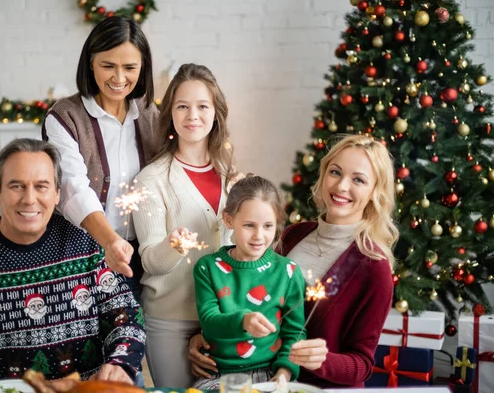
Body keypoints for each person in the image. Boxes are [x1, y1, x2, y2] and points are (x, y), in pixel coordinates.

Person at [0, 139, 146, 384]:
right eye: (17, 186)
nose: (29, 199)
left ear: (56, 194)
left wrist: (121, 362)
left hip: (83, 390)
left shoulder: (88, 246)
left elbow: (126, 318)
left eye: (41, 186)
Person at [131, 63, 238, 388]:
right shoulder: (150, 180)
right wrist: (174, 246)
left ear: (216, 113)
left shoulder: (231, 177)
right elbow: (149, 260)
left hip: (223, 318)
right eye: (183, 106)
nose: (193, 115)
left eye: (203, 106)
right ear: (171, 115)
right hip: (170, 320)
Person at [42, 16, 158, 298]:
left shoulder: (149, 113)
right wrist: (111, 242)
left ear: (142, 68)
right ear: (90, 63)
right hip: (79, 260)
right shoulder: (65, 116)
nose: (119, 79)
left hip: (141, 259)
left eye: (130, 67)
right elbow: (72, 188)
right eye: (108, 66)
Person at [278, 134, 399, 388]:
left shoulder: (373, 267)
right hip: (270, 381)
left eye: (358, 179)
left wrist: (322, 360)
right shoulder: (293, 235)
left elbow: (362, 365)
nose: (342, 186)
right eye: (335, 172)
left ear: (374, 193)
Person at [192, 176, 306, 390]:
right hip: (218, 375)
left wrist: (284, 372)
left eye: (268, 226)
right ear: (228, 220)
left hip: (271, 373)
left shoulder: (288, 271)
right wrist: (243, 321)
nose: (259, 236)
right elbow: (209, 321)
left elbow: (296, 332)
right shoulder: (207, 267)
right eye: (249, 225)